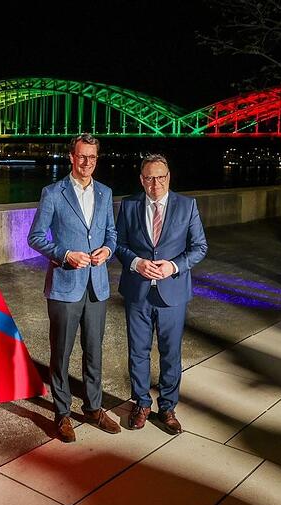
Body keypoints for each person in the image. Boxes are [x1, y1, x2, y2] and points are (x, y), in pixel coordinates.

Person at [28, 134, 121, 443]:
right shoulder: (53, 193)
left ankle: (94, 408)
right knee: (62, 353)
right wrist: (65, 255)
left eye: (92, 157)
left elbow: (111, 234)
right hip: (65, 286)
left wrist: (108, 250)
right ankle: (63, 413)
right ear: (71, 157)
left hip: (97, 286)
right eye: (82, 157)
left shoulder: (106, 193)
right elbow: (36, 237)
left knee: (94, 351)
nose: (87, 163)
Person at [114, 154, 207, 435]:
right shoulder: (129, 205)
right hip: (137, 291)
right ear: (142, 179)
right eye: (150, 178)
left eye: (161, 177)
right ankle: (141, 403)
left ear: (169, 177)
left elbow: (199, 246)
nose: (156, 183)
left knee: (170, 353)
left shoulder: (187, 205)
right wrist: (135, 262)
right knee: (138, 352)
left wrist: (174, 266)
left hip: (173, 293)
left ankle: (167, 407)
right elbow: (118, 244)